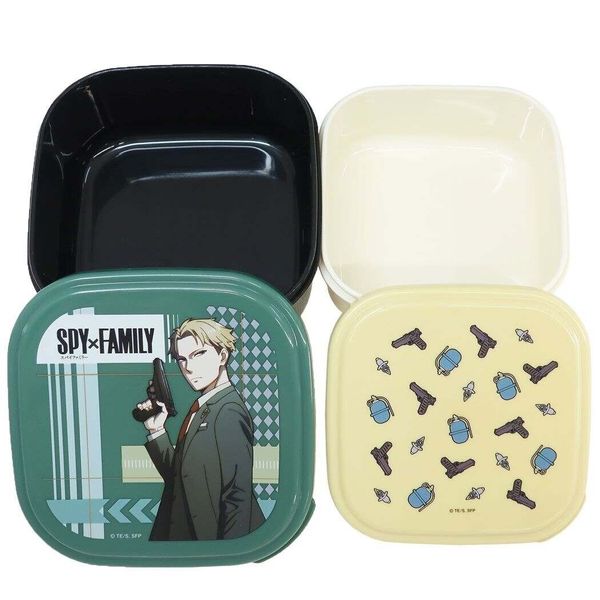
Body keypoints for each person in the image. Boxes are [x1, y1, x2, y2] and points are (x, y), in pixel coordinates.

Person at [135, 318, 265, 540]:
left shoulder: (228, 411)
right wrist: (156, 430)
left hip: (210, 540)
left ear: (222, 356)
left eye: (199, 354)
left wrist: (229, 552)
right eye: (182, 359)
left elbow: (237, 495)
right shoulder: (203, 407)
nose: (188, 368)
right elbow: (182, 478)